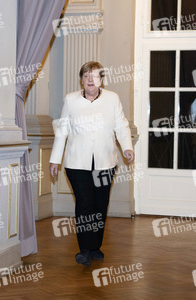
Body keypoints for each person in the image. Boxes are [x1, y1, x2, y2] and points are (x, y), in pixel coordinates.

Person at [50, 61, 134, 266]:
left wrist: (127, 147)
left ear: (101, 80)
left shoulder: (112, 99)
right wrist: (54, 159)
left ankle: (96, 245)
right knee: (85, 204)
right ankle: (85, 249)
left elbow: (122, 126)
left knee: (100, 204)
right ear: (81, 79)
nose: (90, 80)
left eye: (95, 76)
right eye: (86, 76)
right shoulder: (71, 100)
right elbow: (62, 131)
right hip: (77, 163)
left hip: (106, 162)